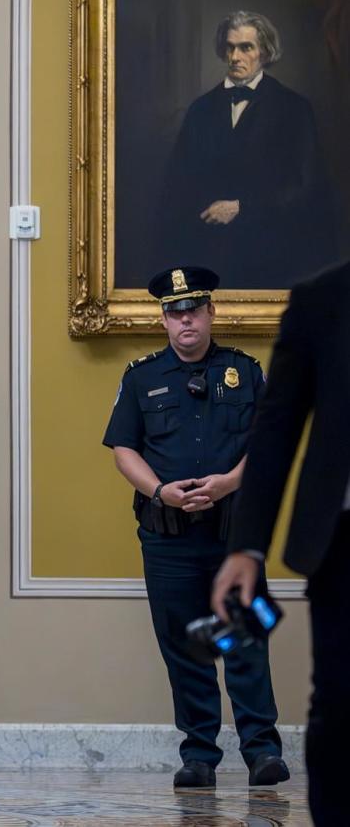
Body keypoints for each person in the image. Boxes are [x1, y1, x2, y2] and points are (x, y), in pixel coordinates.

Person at [103, 266, 288, 789]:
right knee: (186, 646)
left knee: (243, 637)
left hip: (234, 534)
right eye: (175, 312)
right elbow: (123, 449)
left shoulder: (245, 371)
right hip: (169, 538)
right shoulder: (141, 377)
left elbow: (268, 445)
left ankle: (262, 752)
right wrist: (159, 490)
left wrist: (229, 483)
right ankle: (200, 754)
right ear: (164, 320)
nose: (185, 320)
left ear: (210, 314)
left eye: (194, 310)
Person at [214, 259, 350, 824]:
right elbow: (275, 430)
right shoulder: (323, 299)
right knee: (341, 712)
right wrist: (247, 546)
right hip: (344, 546)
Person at [156, 11, 336, 289]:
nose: (235, 56)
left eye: (245, 47)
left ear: (264, 52)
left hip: (271, 257)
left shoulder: (294, 108)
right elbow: (177, 185)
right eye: (229, 47)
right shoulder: (200, 110)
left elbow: (307, 188)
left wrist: (242, 208)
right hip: (208, 257)